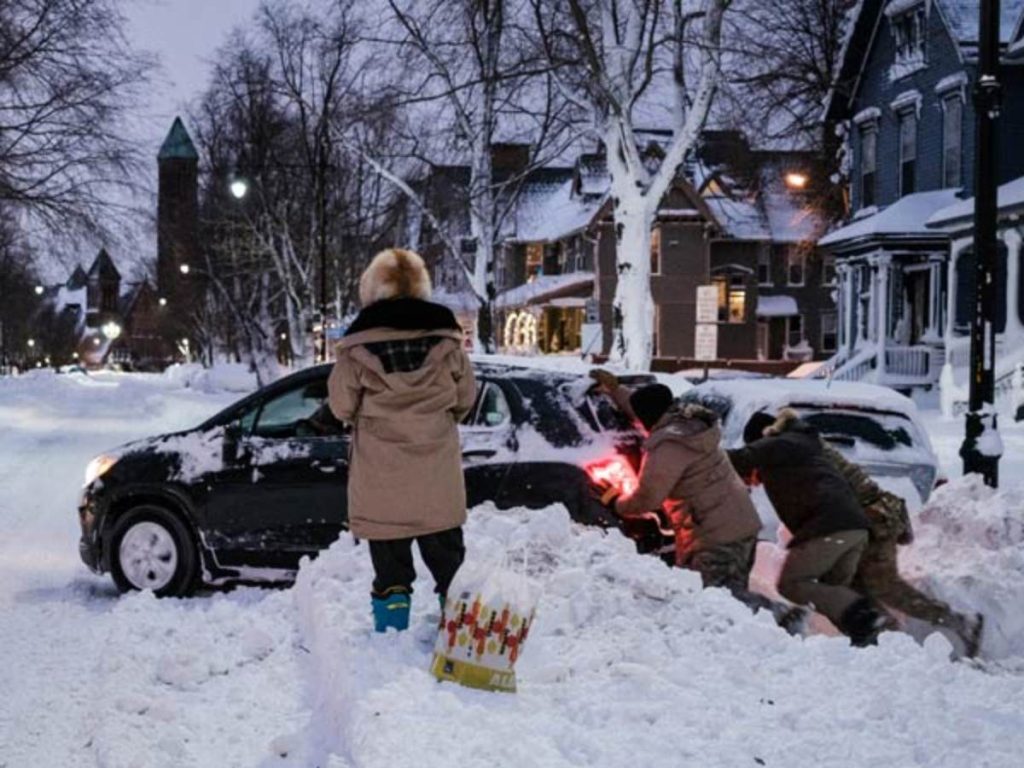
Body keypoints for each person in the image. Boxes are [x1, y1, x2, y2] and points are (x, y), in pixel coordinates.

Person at [327, 248, 477, 633]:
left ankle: (392, 642)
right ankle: (463, 639)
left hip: (381, 477)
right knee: (449, 567)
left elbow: (341, 407)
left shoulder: (356, 347)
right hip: (436, 475)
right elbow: (465, 400)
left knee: (390, 571)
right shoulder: (447, 342)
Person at [589, 370, 803, 630]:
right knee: (727, 596)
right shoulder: (686, 423)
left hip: (714, 536)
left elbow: (648, 498)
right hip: (738, 524)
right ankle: (759, 636)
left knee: (718, 600)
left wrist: (616, 502)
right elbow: (643, 407)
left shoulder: (669, 446)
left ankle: (780, 617)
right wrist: (615, 390)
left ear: (650, 419)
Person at [728, 409, 888, 647]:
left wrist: (701, 455)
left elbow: (738, 458)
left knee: (790, 582)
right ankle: (865, 645)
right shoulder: (801, 443)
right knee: (832, 593)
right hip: (854, 527)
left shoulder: (776, 444)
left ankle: (865, 615)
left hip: (830, 527)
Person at [819, 439, 984, 656]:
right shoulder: (806, 448)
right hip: (865, 521)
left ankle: (956, 623)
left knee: (883, 586)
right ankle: (884, 640)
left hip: (873, 521)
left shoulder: (798, 454)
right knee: (854, 586)